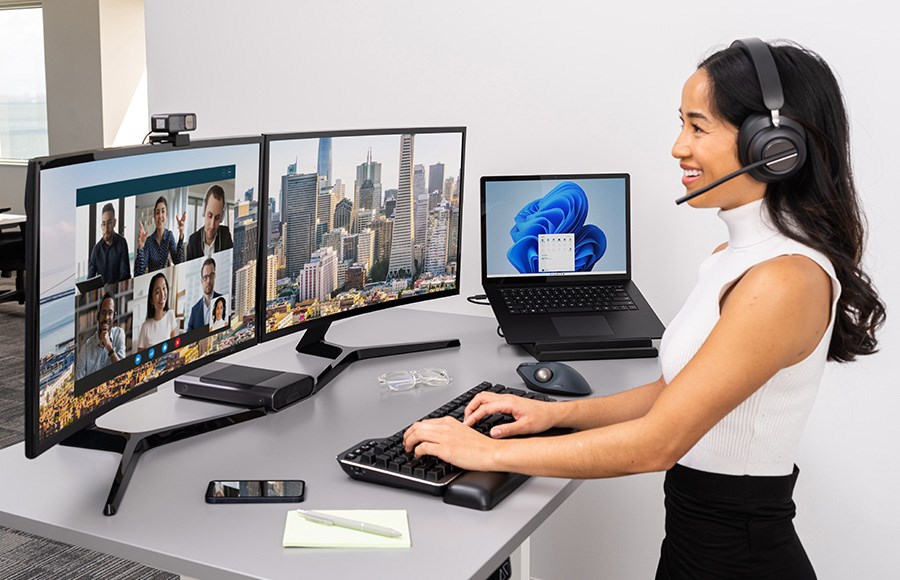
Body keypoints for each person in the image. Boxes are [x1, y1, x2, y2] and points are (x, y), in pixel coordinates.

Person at [402, 39, 885, 578]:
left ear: (773, 145)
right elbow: (672, 394)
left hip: (738, 559)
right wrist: (556, 414)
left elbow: (659, 443)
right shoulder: (734, 257)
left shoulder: (784, 279)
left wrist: (486, 454)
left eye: (698, 128)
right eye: (682, 124)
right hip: (694, 543)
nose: (679, 147)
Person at [75, 292, 125, 380]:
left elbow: (123, 372)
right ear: (98, 316)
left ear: (114, 316)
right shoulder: (85, 350)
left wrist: (109, 347)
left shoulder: (119, 334)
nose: (106, 318)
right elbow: (79, 383)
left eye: (110, 313)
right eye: (103, 313)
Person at [134, 196, 185, 276]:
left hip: (164, 279)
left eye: (163, 211)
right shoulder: (149, 241)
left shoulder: (169, 236)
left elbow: (178, 261)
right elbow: (140, 271)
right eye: (157, 212)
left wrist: (181, 234)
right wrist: (140, 247)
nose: (160, 215)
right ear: (154, 218)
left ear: (166, 216)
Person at [186, 184, 233, 260]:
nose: (212, 225)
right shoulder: (193, 241)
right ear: (204, 210)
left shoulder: (226, 235)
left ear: (222, 217)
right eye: (210, 216)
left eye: (217, 218)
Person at [87, 203, 131, 284]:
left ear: (114, 222)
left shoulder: (122, 243)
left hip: (119, 293)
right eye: (104, 224)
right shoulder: (96, 250)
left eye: (109, 223)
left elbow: (125, 276)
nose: (106, 228)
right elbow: (90, 280)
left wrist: (111, 287)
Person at [137, 272, 179, 348]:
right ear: (151, 300)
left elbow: (175, 346)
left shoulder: (170, 315)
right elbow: (140, 356)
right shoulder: (145, 327)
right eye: (157, 292)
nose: (162, 295)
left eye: (164, 288)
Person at [186, 257, 222, 332]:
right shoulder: (194, 310)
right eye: (205, 277)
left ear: (215, 277)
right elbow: (189, 337)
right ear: (201, 281)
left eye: (211, 276)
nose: (208, 281)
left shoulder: (223, 300)